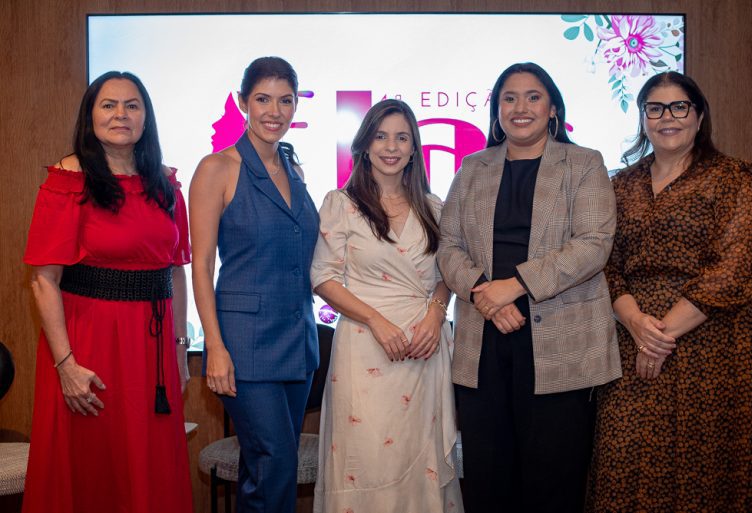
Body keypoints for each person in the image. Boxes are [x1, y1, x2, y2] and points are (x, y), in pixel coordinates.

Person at [437, 62, 621, 513]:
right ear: (497, 110)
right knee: (488, 472)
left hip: (561, 340)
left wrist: (515, 286)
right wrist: (487, 293)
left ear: (553, 107)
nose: (521, 108)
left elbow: (594, 245)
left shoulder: (584, 163)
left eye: (533, 97)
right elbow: (448, 246)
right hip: (483, 340)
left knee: (554, 477)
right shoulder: (473, 167)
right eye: (509, 98)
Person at [587, 71, 752, 513]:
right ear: (643, 118)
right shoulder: (620, 184)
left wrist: (661, 336)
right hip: (631, 342)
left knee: (704, 469)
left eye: (679, 107)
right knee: (624, 462)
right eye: (655, 108)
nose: (667, 117)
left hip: (711, 346)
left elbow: (734, 269)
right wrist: (635, 324)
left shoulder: (734, 179)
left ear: (699, 115)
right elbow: (604, 263)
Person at [22, 71, 192, 513]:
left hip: (152, 354)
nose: (121, 114)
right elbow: (44, 280)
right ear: (91, 116)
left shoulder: (167, 185)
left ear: (146, 117)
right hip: (88, 347)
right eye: (109, 105)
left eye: (132, 105)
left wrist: (178, 351)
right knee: (93, 466)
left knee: (151, 467)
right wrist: (66, 365)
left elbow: (175, 272)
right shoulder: (67, 181)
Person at [311, 99, 463, 513]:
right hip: (364, 349)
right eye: (381, 136)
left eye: (401, 137)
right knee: (366, 460)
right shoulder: (340, 204)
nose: (391, 146)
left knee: (421, 461)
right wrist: (376, 321)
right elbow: (322, 277)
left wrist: (436, 314)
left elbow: (448, 274)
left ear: (415, 148)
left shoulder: (435, 208)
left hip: (425, 349)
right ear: (364, 144)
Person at [189, 56, 319, 513]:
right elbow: (201, 265)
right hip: (244, 345)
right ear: (243, 102)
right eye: (263, 99)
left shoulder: (294, 169)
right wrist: (216, 347)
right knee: (274, 460)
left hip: (297, 344)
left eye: (286, 100)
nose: (275, 111)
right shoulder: (217, 168)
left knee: (261, 469)